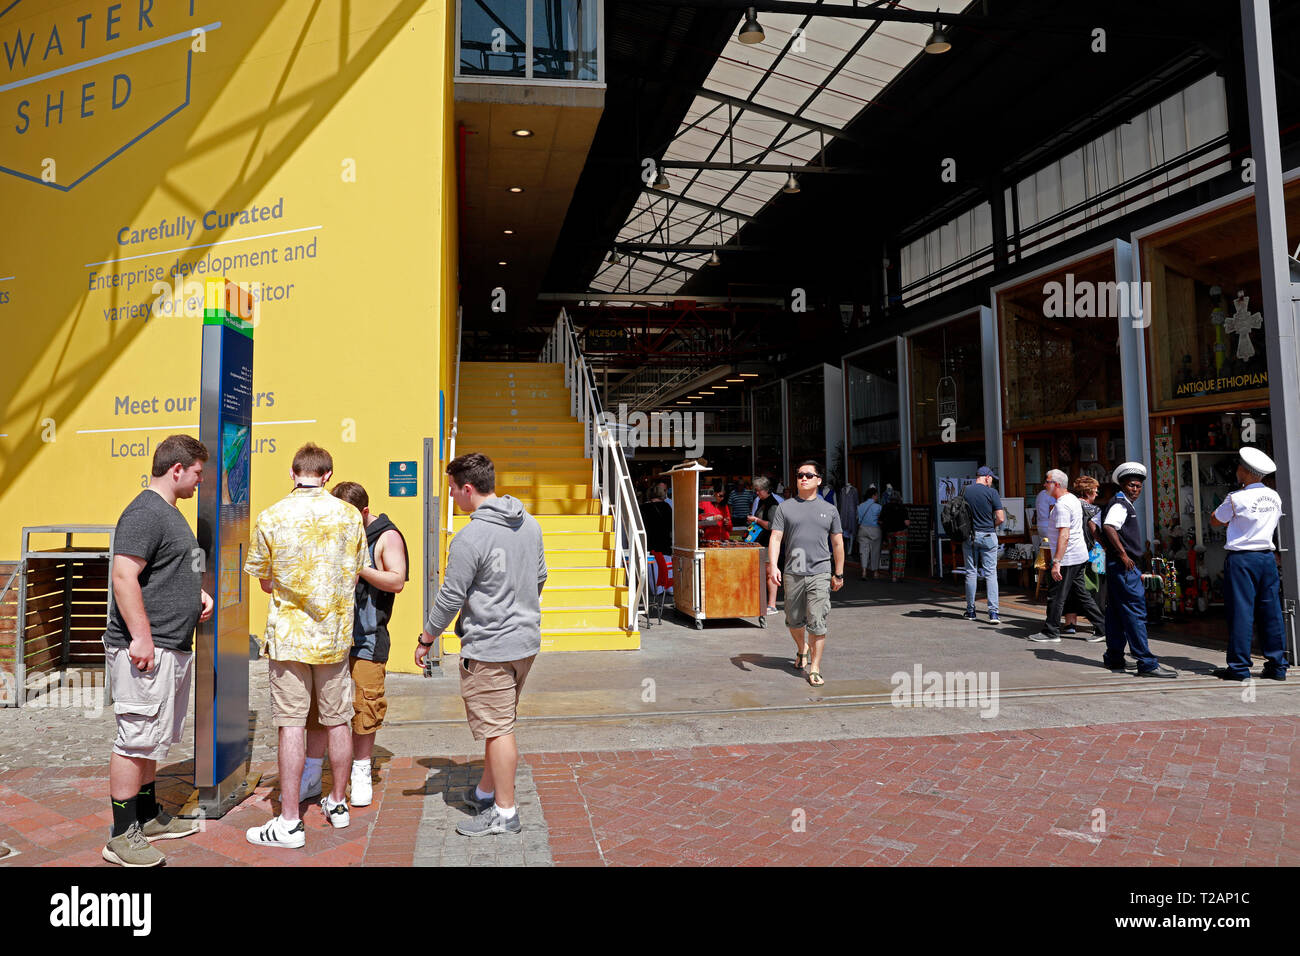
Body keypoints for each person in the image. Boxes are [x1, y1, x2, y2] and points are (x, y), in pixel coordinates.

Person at [244, 443, 370, 848]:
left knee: (291, 723)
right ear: (328, 475)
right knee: (338, 720)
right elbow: (353, 575)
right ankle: (338, 802)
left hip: (289, 638)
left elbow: (263, 580)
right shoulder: (350, 516)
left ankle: (289, 821)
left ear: (293, 472)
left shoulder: (271, 516)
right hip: (334, 637)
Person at [416, 453, 547, 836]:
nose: (453, 497)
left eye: (454, 490)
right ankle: (486, 790)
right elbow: (539, 577)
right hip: (525, 642)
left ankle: (505, 814)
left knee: (499, 729)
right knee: (500, 723)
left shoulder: (469, 537)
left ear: (468, 488)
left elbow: (449, 598)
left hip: (490, 647)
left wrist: (426, 639)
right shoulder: (530, 524)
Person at [101, 436, 215, 867]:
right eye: (198, 473)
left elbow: (173, 568)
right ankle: (120, 835)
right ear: (177, 469)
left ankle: (147, 818)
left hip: (171, 645)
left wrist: (198, 594)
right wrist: (141, 637)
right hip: (149, 649)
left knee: (151, 738)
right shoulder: (145, 512)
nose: (200, 482)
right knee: (134, 739)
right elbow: (124, 577)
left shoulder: (169, 513)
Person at [299, 482, 408, 808]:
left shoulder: (386, 536)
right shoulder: (335, 529)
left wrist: (360, 568)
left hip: (367, 637)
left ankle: (361, 771)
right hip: (330, 637)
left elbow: (397, 579)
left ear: (363, 512)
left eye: (347, 517)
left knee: (366, 706)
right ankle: (313, 771)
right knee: (319, 708)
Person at [1209, 447, 1287, 681]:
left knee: (1241, 612)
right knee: (1271, 611)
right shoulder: (1274, 496)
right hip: (1266, 558)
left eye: (1239, 468)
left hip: (1242, 559)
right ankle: (1277, 666)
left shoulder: (1236, 497)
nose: (1236, 471)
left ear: (1245, 471)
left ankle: (1239, 667)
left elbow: (1215, 520)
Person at [768, 461, 845, 687]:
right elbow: (775, 538)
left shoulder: (829, 509)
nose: (803, 478)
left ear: (818, 480)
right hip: (794, 572)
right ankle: (802, 649)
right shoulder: (785, 507)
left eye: (809, 475)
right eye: (800, 474)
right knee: (793, 620)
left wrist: (838, 574)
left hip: (820, 572)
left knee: (817, 621)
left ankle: (815, 667)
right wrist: (774, 565)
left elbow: (837, 543)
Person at [1100, 462, 1176, 677]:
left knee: (1115, 612)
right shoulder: (1120, 504)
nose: (1136, 489)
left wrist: (1111, 551)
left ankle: (1114, 657)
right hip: (1125, 566)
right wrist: (1122, 554)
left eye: (1139, 486)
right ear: (1122, 484)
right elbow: (1107, 527)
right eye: (1132, 485)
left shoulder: (1120, 503)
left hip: (1118, 565)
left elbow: (1095, 526)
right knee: (1135, 612)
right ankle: (1146, 662)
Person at [1030, 469, 1105, 643]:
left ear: (1056, 484)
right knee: (1081, 593)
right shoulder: (1071, 499)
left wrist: (1057, 561)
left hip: (1068, 556)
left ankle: (1051, 631)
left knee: (1056, 595)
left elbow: (1064, 534)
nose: (1044, 484)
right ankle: (1102, 627)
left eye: (1047, 481)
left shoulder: (1063, 504)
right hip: (1077, 555)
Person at [961, 466, 1005, 624]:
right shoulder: (992, 493)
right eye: (992, 478)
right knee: (991, 574)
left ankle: (971, 610)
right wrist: (991, 525)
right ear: (986, 477)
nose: (992, 482)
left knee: (971, 573)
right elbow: (1001, 518)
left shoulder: (965, 491)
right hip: (988, 536)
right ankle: (993, 613)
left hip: (970, 536)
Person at [1063, 475, 1105, 633]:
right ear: (1087, 492)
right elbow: (1096, 531)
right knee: (1095, 589)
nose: (1096, 494)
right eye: (1095, 491)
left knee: (1071, 587)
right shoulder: (1094, 510)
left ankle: (1070, 623)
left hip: (1071, 551)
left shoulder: (1069, 505)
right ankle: (1098, 624)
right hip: (1092, 553)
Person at [749, 477, 783, 614]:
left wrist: (756, 520)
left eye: (758, 491)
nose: (756, 493)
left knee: (770, 574)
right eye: (755, 490)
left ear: (766, 490)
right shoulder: (762, 502)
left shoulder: (772, 504)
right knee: (764, 573)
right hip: (761, 543)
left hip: (769, 544)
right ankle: (765, 603)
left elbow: (772, 526)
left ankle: (772, 604)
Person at [878, 487, 911, 582]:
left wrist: (887, 525)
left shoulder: (885, 507)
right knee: (900, 554)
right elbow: (907, 523)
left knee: (892, 553)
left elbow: (880, 521)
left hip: (890, 534)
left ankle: (893, 575)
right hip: (900, 534)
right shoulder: (902, 508)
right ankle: (897, 575)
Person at [856, 486, 882, 579]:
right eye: (877, 495)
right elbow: (880, 519)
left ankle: (864, 571)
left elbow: (858, 519)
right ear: (874, 495)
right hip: (874, 529)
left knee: (863, 550)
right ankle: (875, 572)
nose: (877, 497)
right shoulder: (878, 507)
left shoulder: (860, 506)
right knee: (875, 550)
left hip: (862, 529)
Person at [640, 483, 673, 554]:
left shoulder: (643, 507)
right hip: (664, 542)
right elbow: (671, 525)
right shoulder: (666, 506)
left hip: (649, 543)